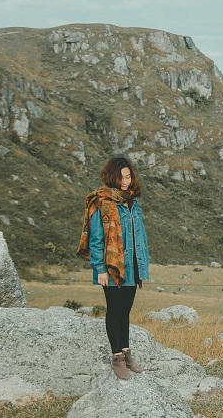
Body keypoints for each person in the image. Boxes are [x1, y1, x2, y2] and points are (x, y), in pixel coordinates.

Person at [76, 157, 151, 380]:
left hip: (132, 265)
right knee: (115, 310)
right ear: (112, 176)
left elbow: (140, 236)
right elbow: (97, 239)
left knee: (125, 311)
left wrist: (142, 264)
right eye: (121, 177)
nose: (125, 181)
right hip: (112, 267)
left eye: (128, 177)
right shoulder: (103, 202)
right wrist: (100, 269)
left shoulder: (132, 202)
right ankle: (117, 356)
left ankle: (127, 353)